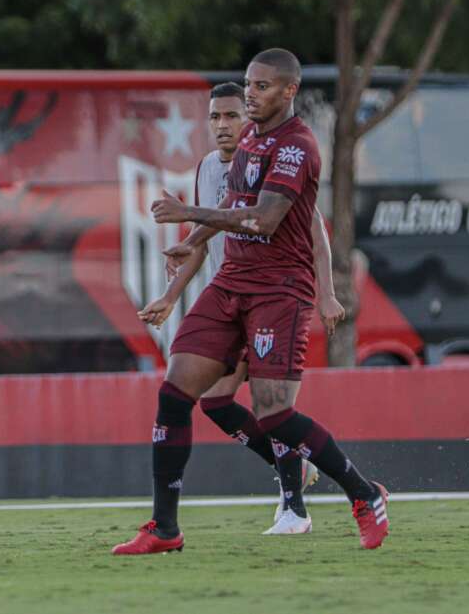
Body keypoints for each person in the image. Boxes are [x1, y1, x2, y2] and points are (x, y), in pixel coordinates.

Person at [113, 48, 389, 555]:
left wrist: (184, 212)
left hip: (278, 288)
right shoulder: (249, 143)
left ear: (289, 91)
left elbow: (263, 219)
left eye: (261, 87)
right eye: (247, 84)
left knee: (274, 415)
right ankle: (164, 529)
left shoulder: (296, 146)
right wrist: (193, 241)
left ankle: (364, 494)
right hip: (231, 281)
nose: (250, 94)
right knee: (177, 393)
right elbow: (232, 206)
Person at [136, 81, 345, 536]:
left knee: (272, 406)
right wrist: (171, 297)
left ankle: (294, 508)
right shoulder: (209, 168)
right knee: (214, 402)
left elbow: (316, 234)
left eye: (232, 115)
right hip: (229, 299)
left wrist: (326, 293)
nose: (222, 125)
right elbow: (209, 228)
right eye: (214, 117)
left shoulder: (274, 161)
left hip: (274, 297)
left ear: (249, 119)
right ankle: (296, 468)